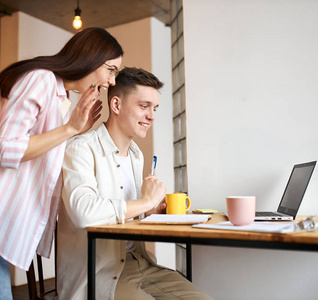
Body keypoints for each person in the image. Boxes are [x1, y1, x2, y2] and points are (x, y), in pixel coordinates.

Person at [0, 27, 123, 299]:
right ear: (90, 59)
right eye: (111, 70)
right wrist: (69, 130)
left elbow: (39, 154)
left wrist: (74, 129)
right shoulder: (40, 80)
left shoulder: (60, 97)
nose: (113, 81)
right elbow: (6, 150)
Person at [57, 67, 212, 300]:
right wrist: (145, 201)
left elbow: (127, 215)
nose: (152, 116)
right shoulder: (81, 148)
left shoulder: (136, 155)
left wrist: (150, 210)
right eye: (144, 106)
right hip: (99, 272)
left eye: (154, 108)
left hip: (142, 263)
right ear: (117, 105)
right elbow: (84, 213)